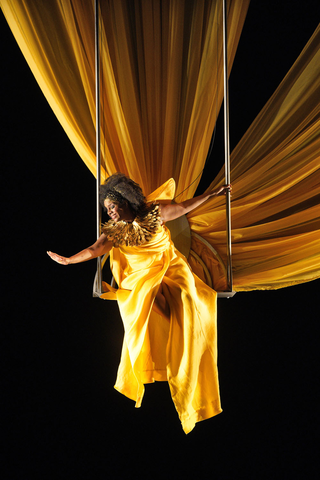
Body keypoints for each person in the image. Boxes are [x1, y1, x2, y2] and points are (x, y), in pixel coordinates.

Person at [47, 173, 231, 433]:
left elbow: (183, 207)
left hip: (170, 268)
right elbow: (94, 250)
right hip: (141, 279)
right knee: (148, 308)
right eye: (107, 208)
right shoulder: (114, 231)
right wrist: (68, 260)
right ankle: (152, 363)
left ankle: (187, 362)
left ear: (126, 202)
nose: (110, 212)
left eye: (113, 206)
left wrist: (211, 195)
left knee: (190, 298)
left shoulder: (154, 214)